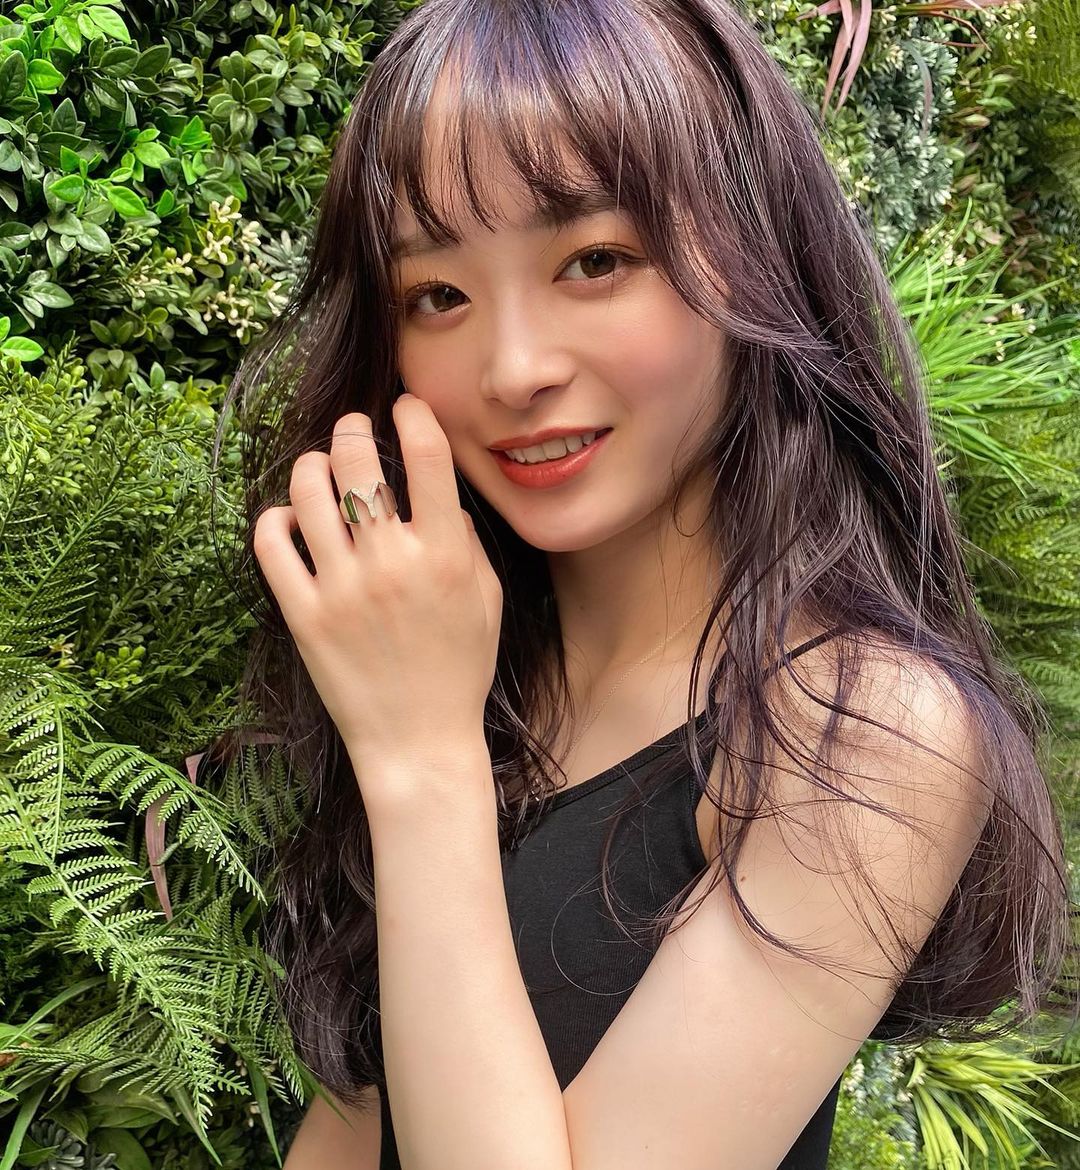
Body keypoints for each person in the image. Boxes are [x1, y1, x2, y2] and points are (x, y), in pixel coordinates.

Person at [216, 0, 1077, 1166]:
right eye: (438, 295)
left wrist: (422, 765)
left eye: (596, 261)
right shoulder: (467, 665)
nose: (514, 369)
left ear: (753, 255)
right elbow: (358, 1129)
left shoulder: (862, 734)